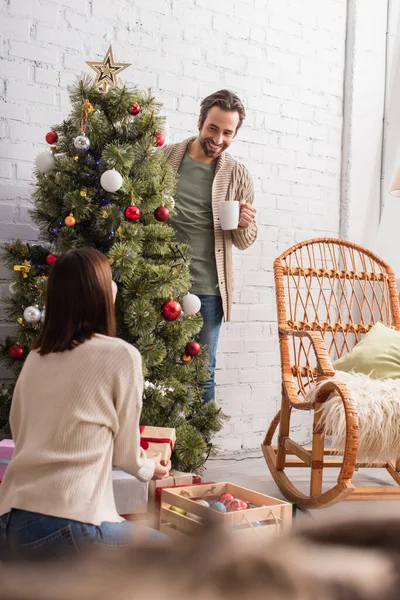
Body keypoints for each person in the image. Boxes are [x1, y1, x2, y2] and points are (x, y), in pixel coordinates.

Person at [0, 248, 170, 562]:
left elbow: (20, 432)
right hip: (66, 524)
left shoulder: (36, 357)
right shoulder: (121, 355)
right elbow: (126, 455)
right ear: (102, 295)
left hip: (7, 522)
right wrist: (152, 467)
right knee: (176, 554)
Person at [162, 89, 257, 404]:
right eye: (213, 128)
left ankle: (197, 449)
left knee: (202, 373)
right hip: (160, 283)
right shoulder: (165, 158)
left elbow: (244, 241)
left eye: (227, 132)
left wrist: (245, 223)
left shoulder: (237, 174)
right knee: (158, 367)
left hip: (209, 291)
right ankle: (156, 448)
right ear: (200, 121)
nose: (218, 138)